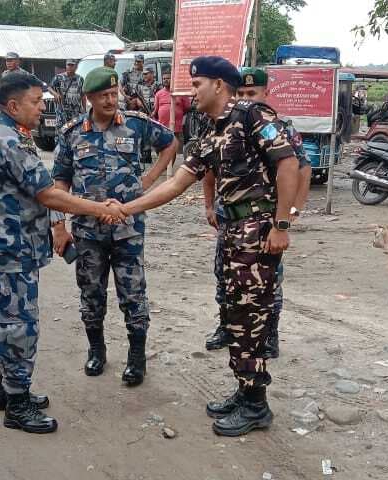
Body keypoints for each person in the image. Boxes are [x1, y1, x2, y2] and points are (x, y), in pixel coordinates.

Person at [119, 56, 298, 436]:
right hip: (233, 234)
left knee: (253, 318)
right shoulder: (210, 131)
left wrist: (282, 224)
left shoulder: (253, 116)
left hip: (258, 232)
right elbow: (175, 183)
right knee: (235, 316)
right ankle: (245, 389)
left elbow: (288, 164)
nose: (191, 92)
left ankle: (256, 406)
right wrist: (127, 208)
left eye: (197, 84)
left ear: (219, 85)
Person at [0, 72, 127, 434]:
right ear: (13, 106)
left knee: (10, 322)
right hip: (10, 249)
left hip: (14, 246)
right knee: (19, 327)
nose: (42, 106)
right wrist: (98, 208)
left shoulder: (11, 135)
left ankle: (7, 388)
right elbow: (48, 194)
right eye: (35, 101)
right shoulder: (6, 141)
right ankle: (17, 402)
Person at [51, 67, 178, 386]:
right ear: (88, 98)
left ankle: (137, 358)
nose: (110, 100)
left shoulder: (135, 124)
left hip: (127, 227)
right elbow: (60, 181)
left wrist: (148, 180)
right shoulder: (71, 133)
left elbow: (170, 143)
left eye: (114, 93)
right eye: (103, 96)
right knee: (91, 292)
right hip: (87, 229)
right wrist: (58, 227)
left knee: (133, 292)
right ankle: (96, 350)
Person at [203, 66, 312, 359]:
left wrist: (290, 214)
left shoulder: (279, 128)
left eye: (251, 93)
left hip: (263, 221)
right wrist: (209, 204)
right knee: (224, 274)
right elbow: (209, 170)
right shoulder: (225, 124)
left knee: (267, 280)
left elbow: (301, 169)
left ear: (266, 93)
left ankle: (268, 334)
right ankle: (228, 326)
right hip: (229, 217)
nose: (244, 98)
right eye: (240, 93)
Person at [152, 69, 191, 147]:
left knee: (174, 147)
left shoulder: (179, 92)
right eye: (164, 79)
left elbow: (187, 107)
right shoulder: (159, 94)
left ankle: (172, 159)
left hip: (176, 127)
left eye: (168, 78)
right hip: (163, 126)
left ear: (173, 79)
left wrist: (177, 114)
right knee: (163, 146)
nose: (166, 80)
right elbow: (155, 111)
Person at [49, 59, 85, 128]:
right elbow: (50, 88)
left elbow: (83, 95)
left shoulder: (80, 79)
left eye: (72, 65)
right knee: (61, 132)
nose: (70, 67)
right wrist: (55, 94)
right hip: (62, 112)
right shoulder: (58, 77)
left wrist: (84, 110)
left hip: (75, 112)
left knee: (74, 132)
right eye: (68, 65)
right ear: (66, 66)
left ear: (76, 67)